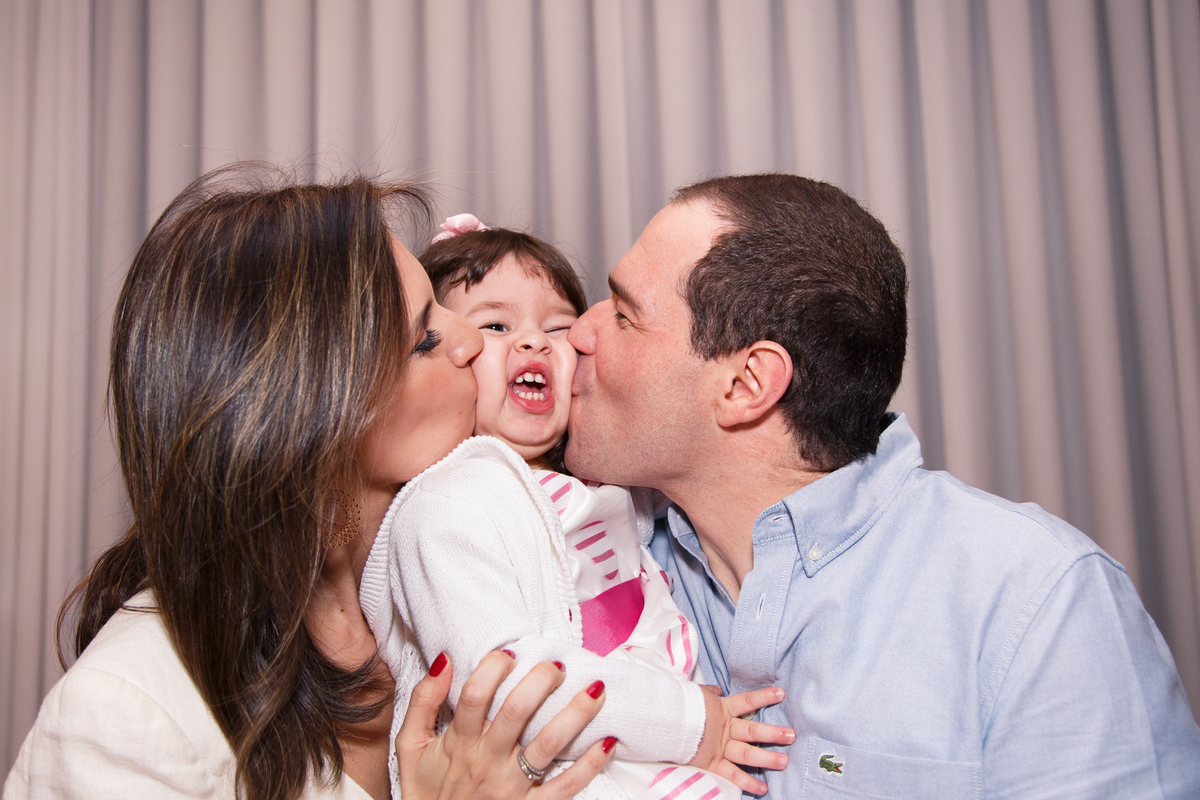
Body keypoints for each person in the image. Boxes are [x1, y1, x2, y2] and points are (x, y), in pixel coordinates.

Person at [564, 173, 1200, 797]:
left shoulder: (1039, 601)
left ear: (746, 385)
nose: (578, 332)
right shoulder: (586, 552)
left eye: (624, 314)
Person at [3, 168, 616, 800]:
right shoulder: (125, 712)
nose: (469, 341)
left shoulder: (477, 578)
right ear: (315, 420)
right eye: (426, 337)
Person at [358, 217, 793, 800]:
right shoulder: (445, 505)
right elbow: (502, 683)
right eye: (494, 325)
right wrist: (691, 725)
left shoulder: (607, 483)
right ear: (449, 354)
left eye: (559, 327)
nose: (535, 342)